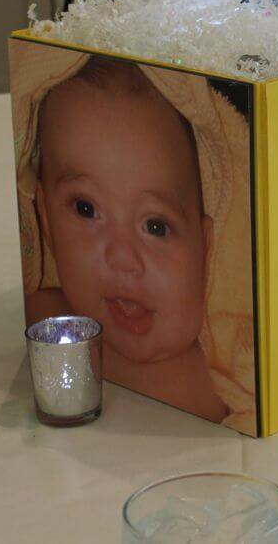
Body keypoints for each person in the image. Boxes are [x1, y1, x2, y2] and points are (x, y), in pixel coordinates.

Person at [26, 57, 228, 422]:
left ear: (207, 247)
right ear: (45, 218)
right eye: (86, 209)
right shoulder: (41, 324)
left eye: (155, 226)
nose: (122, 258)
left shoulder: (217, 384)